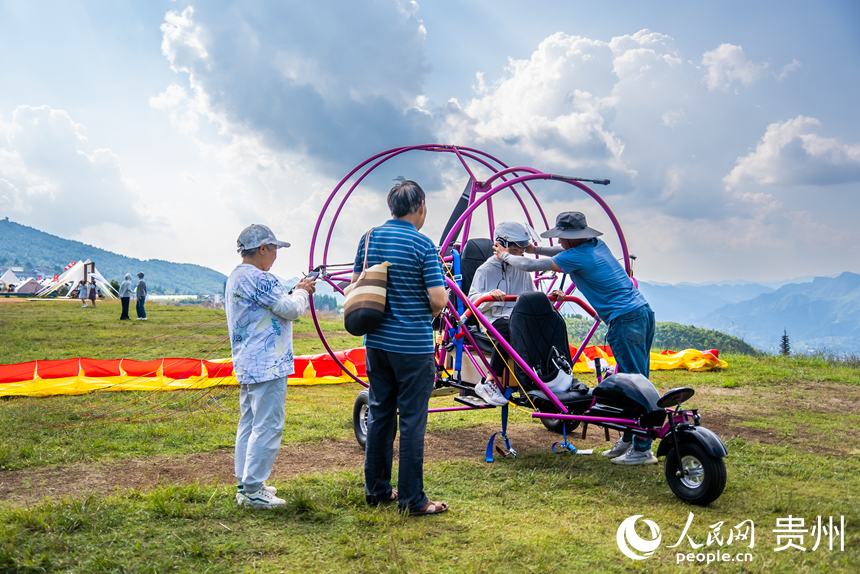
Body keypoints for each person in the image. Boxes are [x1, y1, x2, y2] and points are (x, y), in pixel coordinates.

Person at [495, 211, 657, 466]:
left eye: (562, 238)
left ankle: (643, 448)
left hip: (625, 320)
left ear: (572, 238)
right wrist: (534, 247)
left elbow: (531, 265)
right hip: (642, 314)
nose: (559, 242)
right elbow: (557, 254)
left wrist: (504, 254)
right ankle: (630, 438)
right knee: (633, 379)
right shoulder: (595, 245)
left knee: (634, 384)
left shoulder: (576, 256)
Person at [351, 179, 449, 516]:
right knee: (411, 422)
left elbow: (356, 286)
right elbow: (438, 298)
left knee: (380, 415)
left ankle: (377, 491)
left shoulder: (368, 239)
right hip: (413, 347)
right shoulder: (423, 246)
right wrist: (427, 309)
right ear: (421, 206)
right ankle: (412, 499)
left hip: (377, 343)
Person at [228, 224, 316, 509]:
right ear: (262, 248)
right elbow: (291, 309)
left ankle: (246, 482)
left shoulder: (236, 277)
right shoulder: (260, 278)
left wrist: (292, 292)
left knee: (250, 422)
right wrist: (302, 292)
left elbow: (271, 305)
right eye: (274, 248)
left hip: (248, 363)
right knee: (268, 425)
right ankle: (253, 489)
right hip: (268, 364)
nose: (276, 255)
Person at [468, 221, 537, 406]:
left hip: (518, 317)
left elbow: (533, 294)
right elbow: (473, 300)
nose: (519, 255)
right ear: (501, 245)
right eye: (515, 251)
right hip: (493, 318)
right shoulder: (485, 269)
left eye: (521, 251)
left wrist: (552, 298)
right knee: (508, 329)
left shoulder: (522, 270)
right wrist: (489, 296)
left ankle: (548, 377)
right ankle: (490, 381)